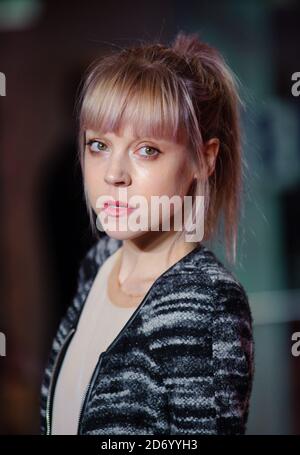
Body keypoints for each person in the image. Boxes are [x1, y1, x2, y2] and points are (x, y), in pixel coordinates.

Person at [40, 31, 254, 435]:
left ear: (202, 160)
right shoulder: (99, 264)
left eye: (147, 150)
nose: (114, 174)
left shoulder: (205, 303)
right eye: (99, 145)